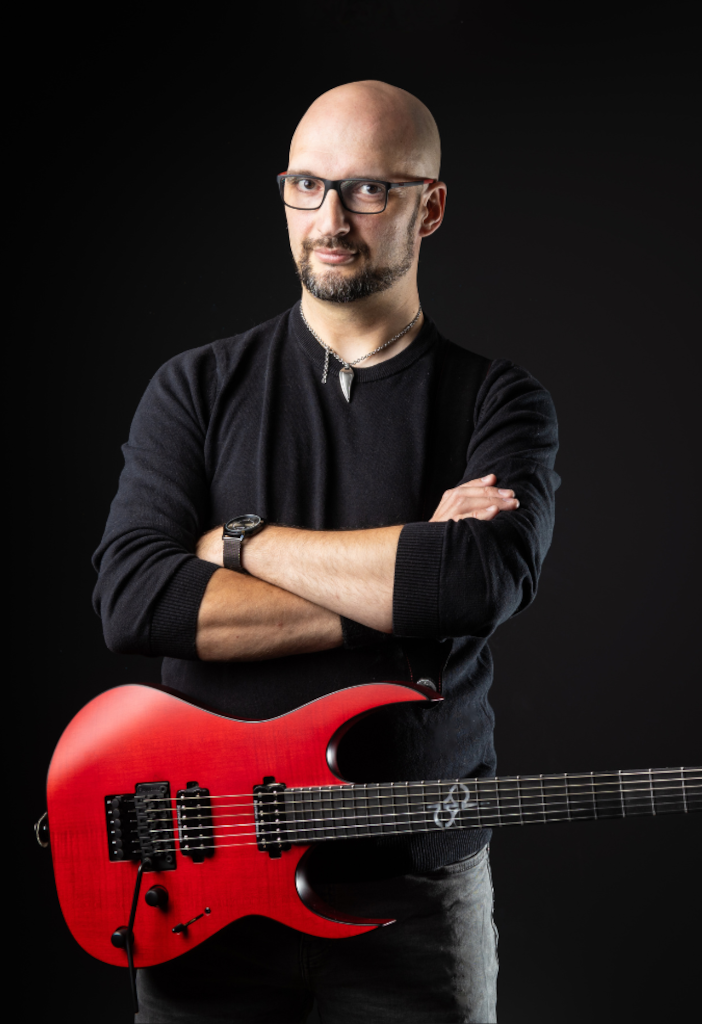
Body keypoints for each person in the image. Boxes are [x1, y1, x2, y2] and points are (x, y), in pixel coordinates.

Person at [92, 80, 559, 1023]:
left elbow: (473, 583)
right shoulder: (194, 389)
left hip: (413, 896)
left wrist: (239, 543)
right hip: (210, 881)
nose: (331, 220)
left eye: (369, 189)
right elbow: (136, 599)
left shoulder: (499, 402)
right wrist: (398, 599)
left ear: (431, 207)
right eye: (307, 185)